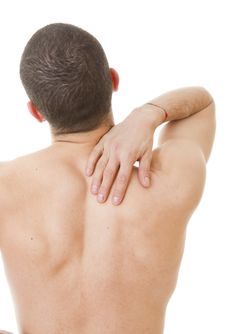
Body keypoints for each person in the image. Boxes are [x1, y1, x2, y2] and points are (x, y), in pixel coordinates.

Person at [0, 23, 216, 334]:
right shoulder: (169, 174)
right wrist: (148, 114)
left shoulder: (6, 186)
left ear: (36, 112)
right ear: (113, 80)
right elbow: (203, 104)